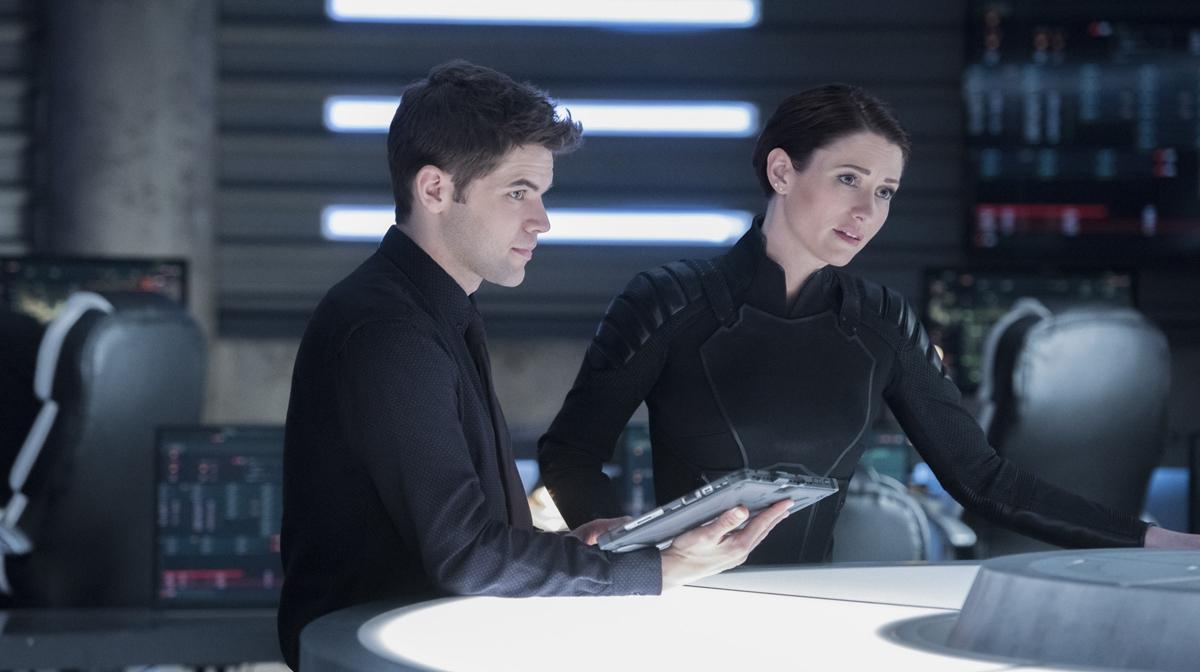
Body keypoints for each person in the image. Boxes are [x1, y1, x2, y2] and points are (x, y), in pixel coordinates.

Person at [538, 83, 1200, 565]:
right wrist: (620, 546)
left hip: (821, 613)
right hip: (684, 607)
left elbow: (984, 479)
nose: (867, 211)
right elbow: (571, 452)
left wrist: (1157, 540)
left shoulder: (884, 321)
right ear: (781, 171)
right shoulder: (668, 301)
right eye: (848, 179)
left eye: (884, 191)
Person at [276, 60, 791, 669]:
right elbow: (465, 556)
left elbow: (456, 538)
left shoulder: (433, 311)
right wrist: (655, 568)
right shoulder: (391, 330)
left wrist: (579, 550)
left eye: (541, 195)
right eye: (518, 192)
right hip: (381, 656)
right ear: (435, 190)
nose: (541, 220)